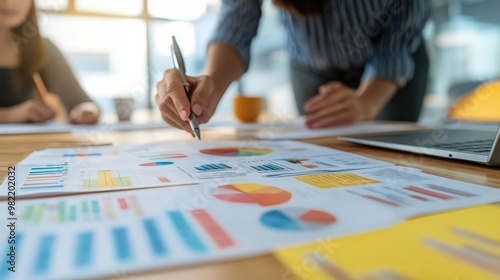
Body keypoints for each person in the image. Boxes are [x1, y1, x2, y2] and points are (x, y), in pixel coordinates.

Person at [156, 0, 430, 134]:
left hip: (394, 65)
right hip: (310, 67)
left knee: (394, 156)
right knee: (321, 158)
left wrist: (366, 104)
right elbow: (237, 21)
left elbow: (404, 20)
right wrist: (211, 82)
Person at [0, 0, 100, 124]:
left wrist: (87, 110)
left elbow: (80, 101)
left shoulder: (43, 48)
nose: (9, 2)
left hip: (31, 143)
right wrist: (12, 115)